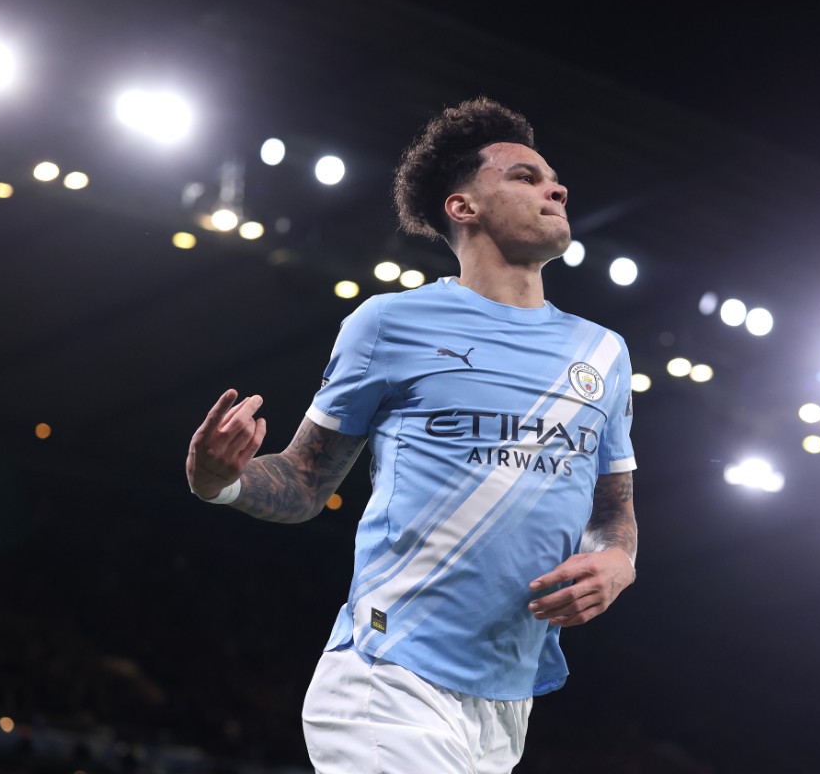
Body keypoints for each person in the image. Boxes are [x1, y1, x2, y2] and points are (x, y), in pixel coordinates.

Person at [186, 97, 637, 773]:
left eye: (553, 178)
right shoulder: (390, 324)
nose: (557, 189)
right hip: (390, 676)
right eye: (525, 176)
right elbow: (305, 481)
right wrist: (222, 481)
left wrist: (617, 563)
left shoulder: (604, 353)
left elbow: (613, 512)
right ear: (463, 206)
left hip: (506, 699)